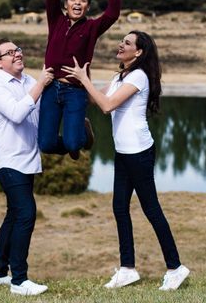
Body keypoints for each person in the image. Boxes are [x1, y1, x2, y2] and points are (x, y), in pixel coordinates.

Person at [61, 31, 190, 291]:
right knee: (120, 207)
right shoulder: (119, 76)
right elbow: (96, 99)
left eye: (128, 43)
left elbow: (108, 106)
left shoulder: (139, 77)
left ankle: (175, 268)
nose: (121, 45)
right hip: (123, 152)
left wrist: (85, 80)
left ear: (139, 52)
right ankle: (128, 269)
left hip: (139, 152)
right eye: (123, 41)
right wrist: (72, 84)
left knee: (151, 209)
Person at [38, 0, 121, 160]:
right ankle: (72, 145)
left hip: (75, 90)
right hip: (50, 87)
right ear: (66, 4)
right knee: (45, 143)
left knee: (76, 142)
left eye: (82, 0)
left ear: (87, 7)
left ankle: (81, 136)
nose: (77, 2)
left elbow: (113, 13)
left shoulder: (92, 27)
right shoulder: (55, 19)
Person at [0, 38, 54, 296]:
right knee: (26, 213)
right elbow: (16, 113)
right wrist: (42, 84)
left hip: (27, 159)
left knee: (14, 214)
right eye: (9, 53)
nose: (17, 54)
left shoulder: (29, 81)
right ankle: (19, 281)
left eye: (18, 50)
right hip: (7, 160)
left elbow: (41, 113)